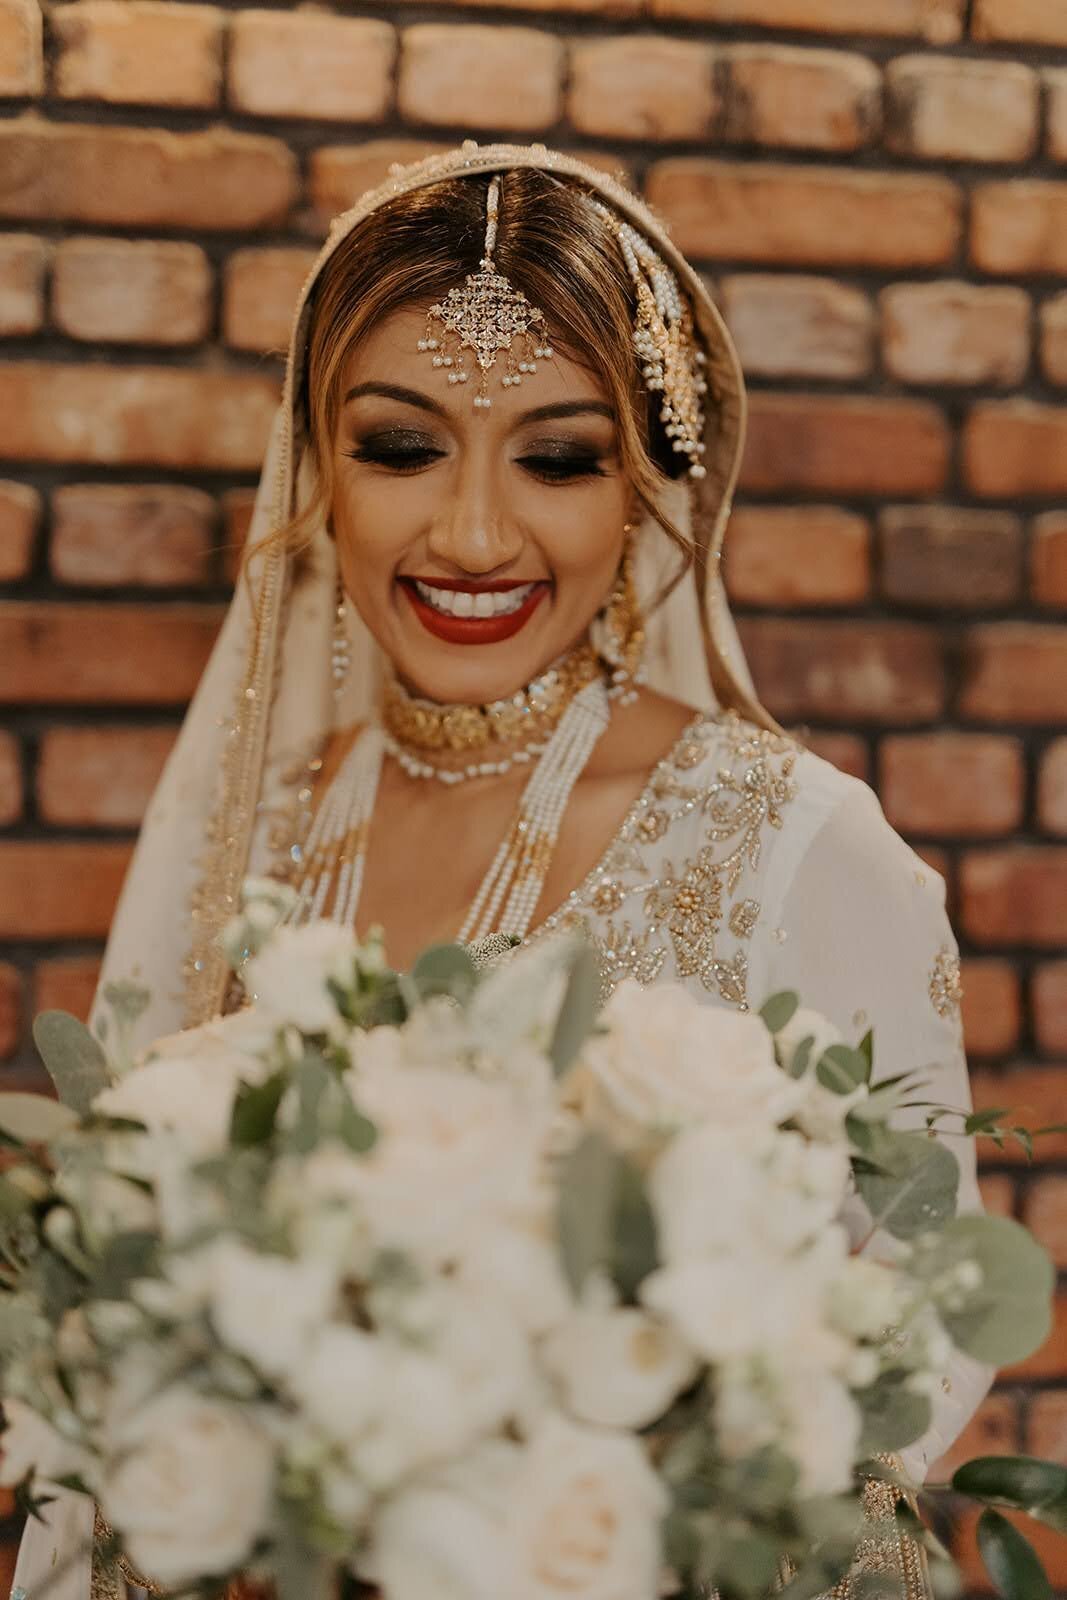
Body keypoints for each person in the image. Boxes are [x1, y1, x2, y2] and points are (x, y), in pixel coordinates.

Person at [10, 143, 992, 1600]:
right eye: (401, 447)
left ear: (647, 483)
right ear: (316, 467)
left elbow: (925, 1344)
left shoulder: (793, 840)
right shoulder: (265, 828)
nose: (472, 533)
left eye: (559, 457)